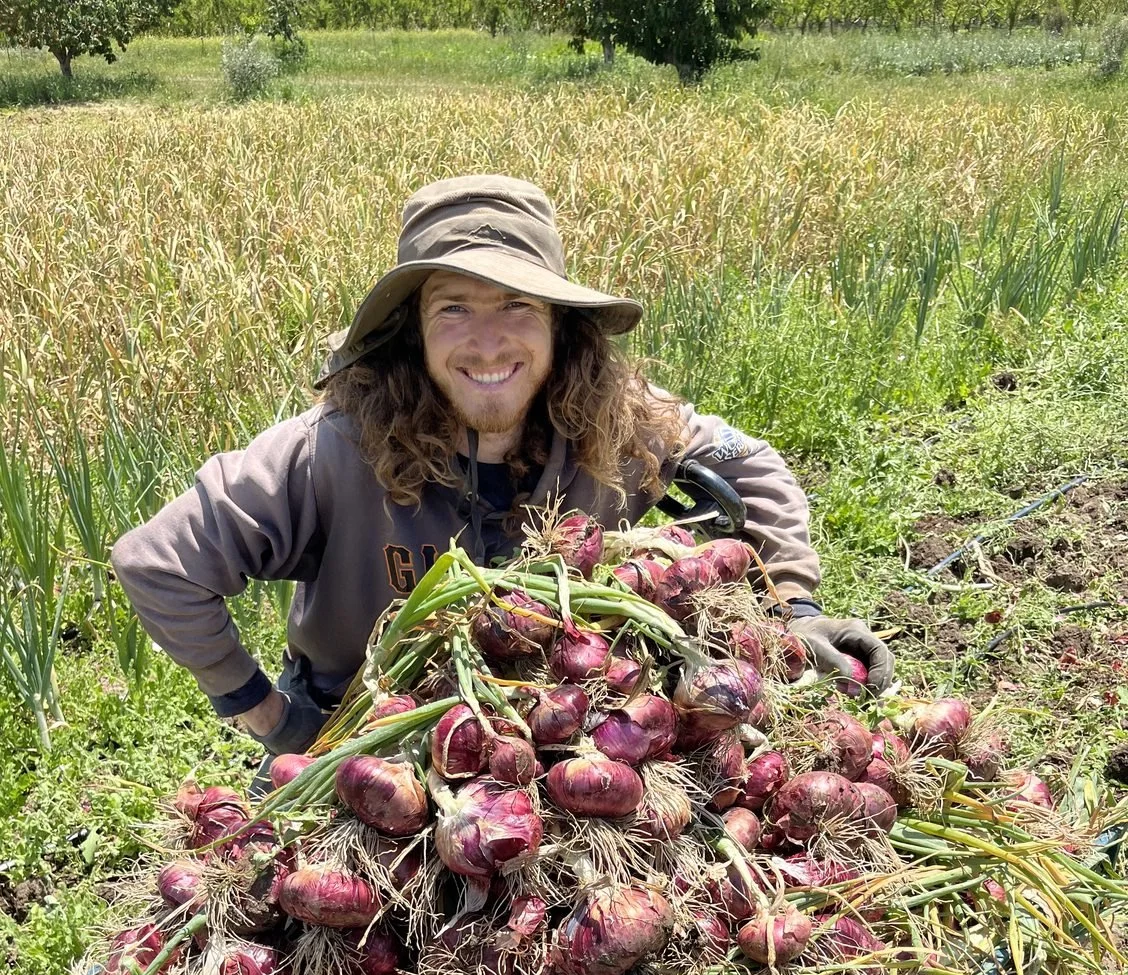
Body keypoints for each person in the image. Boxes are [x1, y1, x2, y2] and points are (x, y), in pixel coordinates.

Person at [111, 175, 893, 759]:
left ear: (562, 328)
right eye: (454, 307)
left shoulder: (617, 420)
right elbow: (157, 564)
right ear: (412, 333)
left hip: (569, 728)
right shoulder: (333, 449)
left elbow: (746, 465)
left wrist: (795, 609)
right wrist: (269, 716)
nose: (487, 343)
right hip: (372, 738)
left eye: (518, 306)